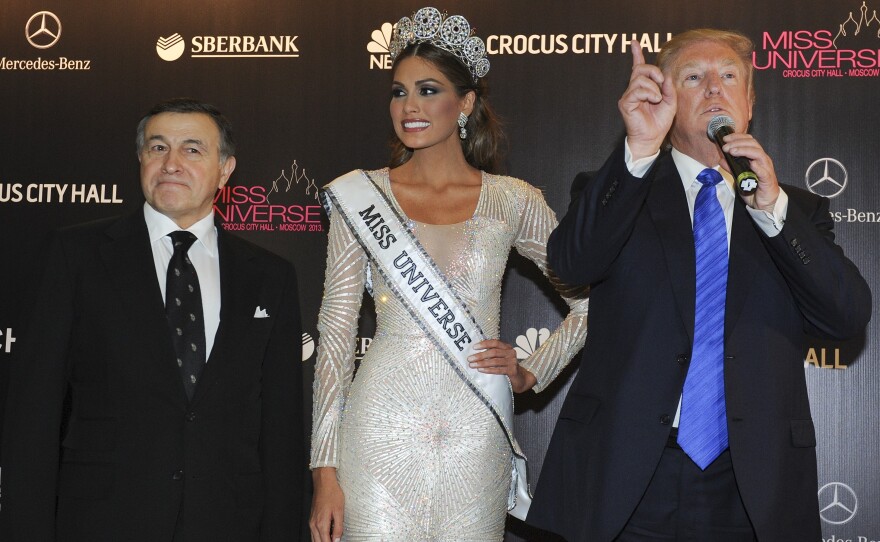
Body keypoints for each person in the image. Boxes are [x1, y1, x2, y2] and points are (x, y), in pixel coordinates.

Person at [527, 29, 872, 541]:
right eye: (694, 77)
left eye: (729, 76)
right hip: (625, 473)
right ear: (663, 99)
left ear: (749, 102)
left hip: (753, 483)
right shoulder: (622, 187)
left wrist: (774, 211)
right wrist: (640, 148)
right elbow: (571, 263)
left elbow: (845, 315)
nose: (714, 87)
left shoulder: (795, 209)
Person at [308, 7, 588, 542]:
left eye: (428, 90)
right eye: (398, 91)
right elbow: (337, 337)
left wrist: (534, 370)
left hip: (475, 434)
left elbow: (594, 300)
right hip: (377, 434)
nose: (409, 107)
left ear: (466, 103)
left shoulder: (514, 200)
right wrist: (325, 471)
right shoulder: (357, 197)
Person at [0, 98, 305, 542]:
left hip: (228, 523)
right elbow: (34, 412)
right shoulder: (76, 256)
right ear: (141, 159)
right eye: (158, 148)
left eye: (193, 150)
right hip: (102, 522)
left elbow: (281, 430)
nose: (171, 164)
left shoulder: (270, 276)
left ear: (225, 170)